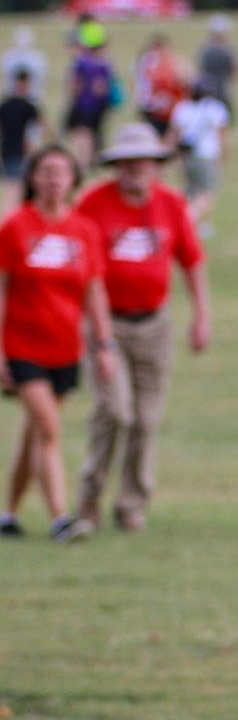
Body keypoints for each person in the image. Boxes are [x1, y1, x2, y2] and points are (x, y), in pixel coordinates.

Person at [75, 122, 210, 533]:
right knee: (115, 411)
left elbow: (191, 260)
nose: (135, 169)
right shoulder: (94, 205)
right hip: (107, 322)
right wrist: (98, 337)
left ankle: (132, 503)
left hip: (155, 323)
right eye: (127, 163)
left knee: (147, 418)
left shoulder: (170, 204)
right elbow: (83, 268)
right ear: (115, 166)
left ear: (156, 164)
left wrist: (202, 316)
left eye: (143, 162)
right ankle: (90, 495)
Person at [0, 143, 114, 540]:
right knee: (49, 430)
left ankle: (9, 513)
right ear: (33, 178)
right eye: (45, 172)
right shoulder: (15, 227)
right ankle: (61, 518)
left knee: (35, 432)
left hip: (64, 347)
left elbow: (94, 292)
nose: (52, 180)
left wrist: (104, 344)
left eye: (60, 172)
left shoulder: (84, 231)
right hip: (21, 346)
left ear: (72, 181)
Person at [169, 82, 230, 228]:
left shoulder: (182, 108)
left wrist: (169, 155)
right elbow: (221, 135)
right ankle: (186, 222)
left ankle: (200, 224)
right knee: (206, 194)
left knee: (191, 192)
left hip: (186, 156)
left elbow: (173, 135)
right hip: (206, 156)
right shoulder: (215, 108)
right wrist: (223, 155)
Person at [63, 27, 117, 168]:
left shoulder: (82, 63)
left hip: (83, 104)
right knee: (95, 133)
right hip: (99, 105)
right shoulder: (105, 64)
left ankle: (83, 161)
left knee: (82, 134)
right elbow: (103, 87)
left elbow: (75, 84)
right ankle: (94, 160)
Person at [1, 69, 45, 217]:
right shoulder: (21, 106)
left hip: (17, 150)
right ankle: (10, 215)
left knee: (16, 185)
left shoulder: (12, 105)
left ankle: (11, 214)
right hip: (14, 150)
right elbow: (41, 127)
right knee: (14, 186)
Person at [134, 34, 189, 136]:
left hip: (172, 112)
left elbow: (187, 81)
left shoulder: (175, 63)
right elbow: (141, 86)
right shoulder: (146, 64)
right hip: (153, 112)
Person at [195, 16, 238, 112]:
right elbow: (236, 70)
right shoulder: (229, 50)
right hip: (223, 91)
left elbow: (200, 70)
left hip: (206, 91)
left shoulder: (204, 49)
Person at [2, 27, 47, 103]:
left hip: (31, 96)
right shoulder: (8, 56)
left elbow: (39, 79)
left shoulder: (37, 57)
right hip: (13, 96)